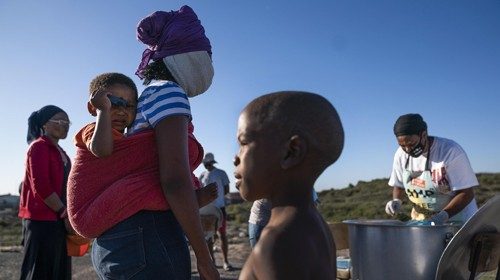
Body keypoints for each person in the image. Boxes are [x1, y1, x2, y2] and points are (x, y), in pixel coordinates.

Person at [76, 6, 219, 280]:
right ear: (189, 57)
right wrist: (204, 257)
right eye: (207, 56)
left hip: (119, 240)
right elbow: (174, 180)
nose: (209, 66)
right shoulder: (169, 93)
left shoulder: (149, 95)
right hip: (146, 238)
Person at [235, 91, 344, 279]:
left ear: (291, 152)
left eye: (244, 143)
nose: (235, 157)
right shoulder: (316, 225)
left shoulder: (277, 242)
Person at [385, 113, 479, 225]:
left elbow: (467, 193)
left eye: (411, 144)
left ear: (423, 135)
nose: (408, 149)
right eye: (402, 145)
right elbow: (399, 185)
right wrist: (396, 201)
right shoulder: (401, 155)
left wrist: (443, 216)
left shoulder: (450, 151)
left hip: (458, 220)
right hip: (423, 220)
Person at [18, 105, 73, 280]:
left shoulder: (62, 152)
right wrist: (63, 212)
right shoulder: (39, 147)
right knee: (41, 271)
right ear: (44, 125)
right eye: (59, 121)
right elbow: (41, 185)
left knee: (58, 269)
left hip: (58, 219)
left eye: (67, 122)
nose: (64, 125)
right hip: (42, 221)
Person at [247, 190, 320, 248]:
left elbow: (313, 203)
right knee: (262, 262)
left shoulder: (302, 176)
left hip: (288, 224)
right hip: (262, 221)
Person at [199, 153, 233, 271]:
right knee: (208, 237)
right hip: (206, 210)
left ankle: (226, 261)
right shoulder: (202, 175)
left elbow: (226, 189)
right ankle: (212, 262)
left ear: (210, 163)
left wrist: (217, 200)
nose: (205, 165)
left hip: (219, 208)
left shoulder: (221, 173)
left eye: (206, 163)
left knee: (222, 234)